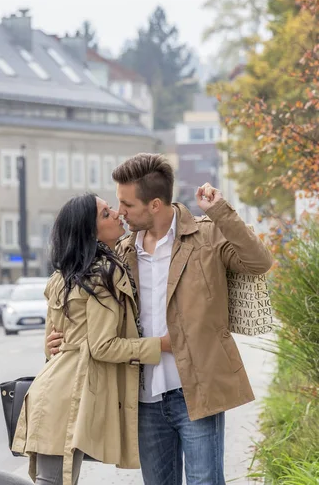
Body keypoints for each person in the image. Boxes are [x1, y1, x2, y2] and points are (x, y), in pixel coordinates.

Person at [47, 153, 273, 485]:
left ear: (154, 205)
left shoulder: (207, 237)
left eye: (126, 204)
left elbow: (259, 262)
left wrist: (221, 213)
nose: (120, 211)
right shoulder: (120, 252)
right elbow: (76, 298)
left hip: (195, 390)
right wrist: (52, 338)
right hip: (143, 398)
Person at [0, 193, 171, 485]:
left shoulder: (64, 276)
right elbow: (103, 346)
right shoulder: (103, 275)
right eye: (105, 213)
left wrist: (54, 346)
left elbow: (56, 342)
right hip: (69, 397)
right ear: (90, 232)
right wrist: (163, 345)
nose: (116, 214)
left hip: (63, 392)